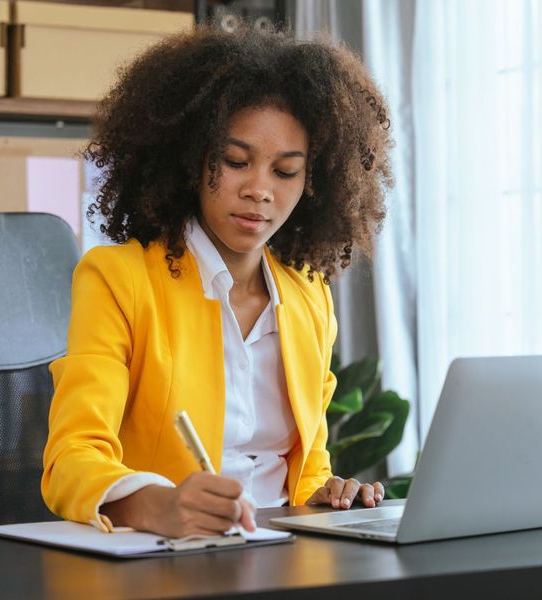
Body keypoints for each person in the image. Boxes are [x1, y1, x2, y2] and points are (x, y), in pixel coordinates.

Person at [42, 24, 392, 539]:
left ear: (314, 184)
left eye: (286, 171)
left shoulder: (307, 297)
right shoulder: (120, 279)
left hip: (286, 553)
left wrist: (324, 492)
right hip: (168, 558)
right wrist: (155, 504)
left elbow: (307, 467)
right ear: (190, 158)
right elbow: (72, 458)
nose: (259, 190)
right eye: (235, 162)